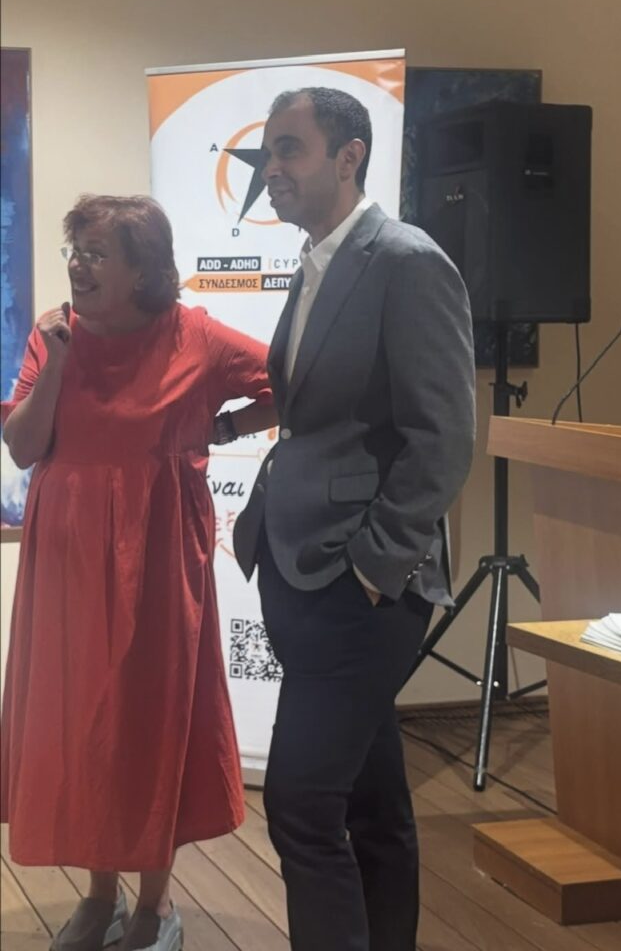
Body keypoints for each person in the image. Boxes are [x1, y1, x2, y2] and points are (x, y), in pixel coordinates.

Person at [233, 87, 476, 951]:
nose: (270, 168)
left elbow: (444, 437)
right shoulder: (317, 260)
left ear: (349, 157)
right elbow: (317, 407)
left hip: (359, 585)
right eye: (268, 150)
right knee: (374, 805)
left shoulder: (406, 261)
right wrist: (224, 428)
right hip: (297, 567)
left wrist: (375, 567)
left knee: (301, 807)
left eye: (288, 149)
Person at [1, 195, 277, 951]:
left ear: (144, 271)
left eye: (96, 253)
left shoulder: (196, 336)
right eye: (75, 251)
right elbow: (22, 446)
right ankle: (100, 897)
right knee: (84, 715)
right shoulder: (55, 335)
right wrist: (56, 364)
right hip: (67, 554)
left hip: (157, 552)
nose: (79, 266)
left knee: (153, 713)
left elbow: (289, 381)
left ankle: (155, 905)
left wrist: (225, 426)